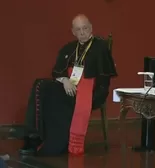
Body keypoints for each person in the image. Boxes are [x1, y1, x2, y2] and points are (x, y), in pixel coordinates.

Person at [19, 14, 117, 156]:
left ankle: (48, 140)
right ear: (73, 32)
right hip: (67, 87)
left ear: (91, 28)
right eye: (78, 29)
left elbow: (103, 81)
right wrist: (65, 81)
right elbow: (57, 72)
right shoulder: (69, 48)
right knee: (40, 85)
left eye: (85, 28)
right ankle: (33, 137)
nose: (82, 32)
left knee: (44, 90)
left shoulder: (100, 47)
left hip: (89, 93)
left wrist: (86, 92)